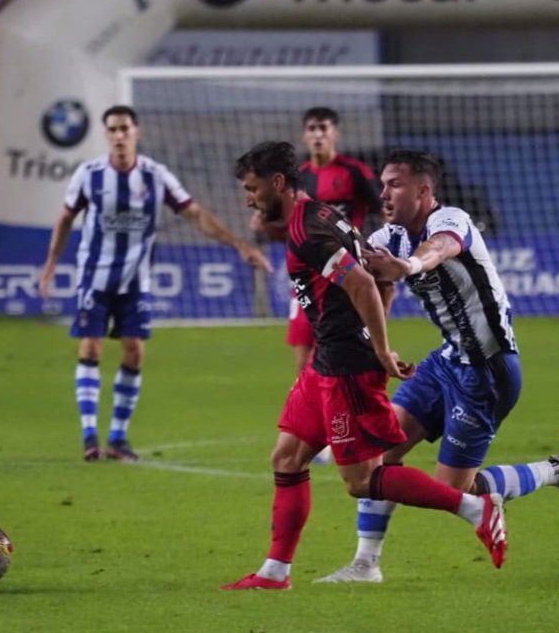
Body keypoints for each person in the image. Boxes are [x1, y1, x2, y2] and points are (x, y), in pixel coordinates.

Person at [222, 141, 509, 591]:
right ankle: (275, 572)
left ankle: (475, 508)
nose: (249, 199)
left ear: (278, 183)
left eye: (253, 189)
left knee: (362, 480)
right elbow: (378, 277)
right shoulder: (318, 215)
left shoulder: (309, 231)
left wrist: (380, 350)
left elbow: (362, 285)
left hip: (347, 368)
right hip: (325, 361)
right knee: (287, 457)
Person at [314, 149, 559, 584]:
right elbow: (364, 275)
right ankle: (365, 565)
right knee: (377, 458)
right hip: (445, 361)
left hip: (488, 371)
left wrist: (407, 266)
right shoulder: (389, 237)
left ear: (424, 191)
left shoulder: (451, 221)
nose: (383, 193)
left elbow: (438, 250)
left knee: (451, 490)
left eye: (395, 185)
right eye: (383, 184)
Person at [38, 104, 271, 462]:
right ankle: (89, 436)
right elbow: (66, 218)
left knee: (134, 351)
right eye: (113, 129)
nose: (119, 135)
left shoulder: (155, 175)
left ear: (137, 132)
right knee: (91, 348)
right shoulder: (89, 174)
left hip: (136, 280)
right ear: (106, 135)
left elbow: (195, 214)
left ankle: (118, 438)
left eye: (125, 129)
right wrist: (51, 264)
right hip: (95, 276)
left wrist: (239, 245)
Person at [251, 107, 382, 375]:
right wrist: (264, 227)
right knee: (303, 359)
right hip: (307, 275)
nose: (318, 135)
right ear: (304, 135)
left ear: (336, 134)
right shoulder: (297, 178)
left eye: (324, 128)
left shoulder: (355, 172)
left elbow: (384, 211)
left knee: (344, 356)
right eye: (312, 129)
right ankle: (315, 403)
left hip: (345, 272)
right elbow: (287, 229)